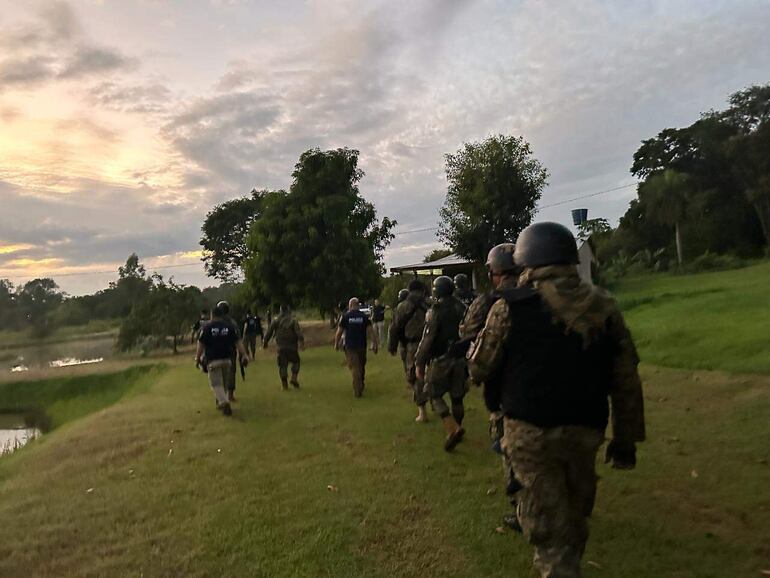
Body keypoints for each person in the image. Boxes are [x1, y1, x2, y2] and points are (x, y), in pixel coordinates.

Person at [468, 222, 645, 578]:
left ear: (526, 262)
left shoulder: (509, 307)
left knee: (550, 534)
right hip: (586, 430)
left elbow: (479, 368)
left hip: (529, 435)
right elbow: (626, 381)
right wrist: (626, 440)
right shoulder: (605, 307)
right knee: (573, 519)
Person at [460, 243, 523, 531]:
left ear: (494, 272)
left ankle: (522, 508)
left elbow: (468, 334)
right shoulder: (540, 294)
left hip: (501, 384)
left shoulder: (487, 302)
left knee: (510, 448)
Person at [415, 276, 468, 451]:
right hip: (461, 356)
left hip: (441, 357)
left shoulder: (435, 310)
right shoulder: (463, 308)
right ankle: (457, 425)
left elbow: (427, 339)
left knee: (432, 393)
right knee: (457, 395)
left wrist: (419, 362)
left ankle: (452, 427)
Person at [195, 302, 250, 416]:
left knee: (216, 384)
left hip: (213, 360)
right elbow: (238, 342)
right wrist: (244, 355)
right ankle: (222, 402)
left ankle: (224, 403)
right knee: (224, 384)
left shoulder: (207, 328)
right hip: (227, 359)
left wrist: (197, 358)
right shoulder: (230, 327)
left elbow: (201, 345)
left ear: (212, 315)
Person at [388, 280, 430, 421]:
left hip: (412, 345)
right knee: (430, 374)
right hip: (432, 344)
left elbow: (394, 328)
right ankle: (434, 399)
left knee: (414, 376)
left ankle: (422, 411)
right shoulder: (430, 304)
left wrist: (392, 346)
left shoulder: (402, 306)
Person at [335, 298, 378, 397]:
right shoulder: (364, 317)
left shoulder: (346, 317)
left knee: (355, 367)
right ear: (358, 305)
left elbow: (339, 332)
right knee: (361, 366)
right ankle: (360, 384)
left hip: (350, 346)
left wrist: (336, 344)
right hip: (362, 345)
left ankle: (357, 389)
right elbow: (371, 332)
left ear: (350, 306)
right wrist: (374, 344)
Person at [263, 305, 304, 390]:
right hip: (292, 346)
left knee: (282, 365)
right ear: (288, 310)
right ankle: (294, 378)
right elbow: (298, 333)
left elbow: (269, 332)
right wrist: (301, 343)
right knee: (296, 362)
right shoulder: (293, 320)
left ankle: (284, 385)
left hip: (281, 347)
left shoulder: (276, 320)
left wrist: (265, 342)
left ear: (280, 310)